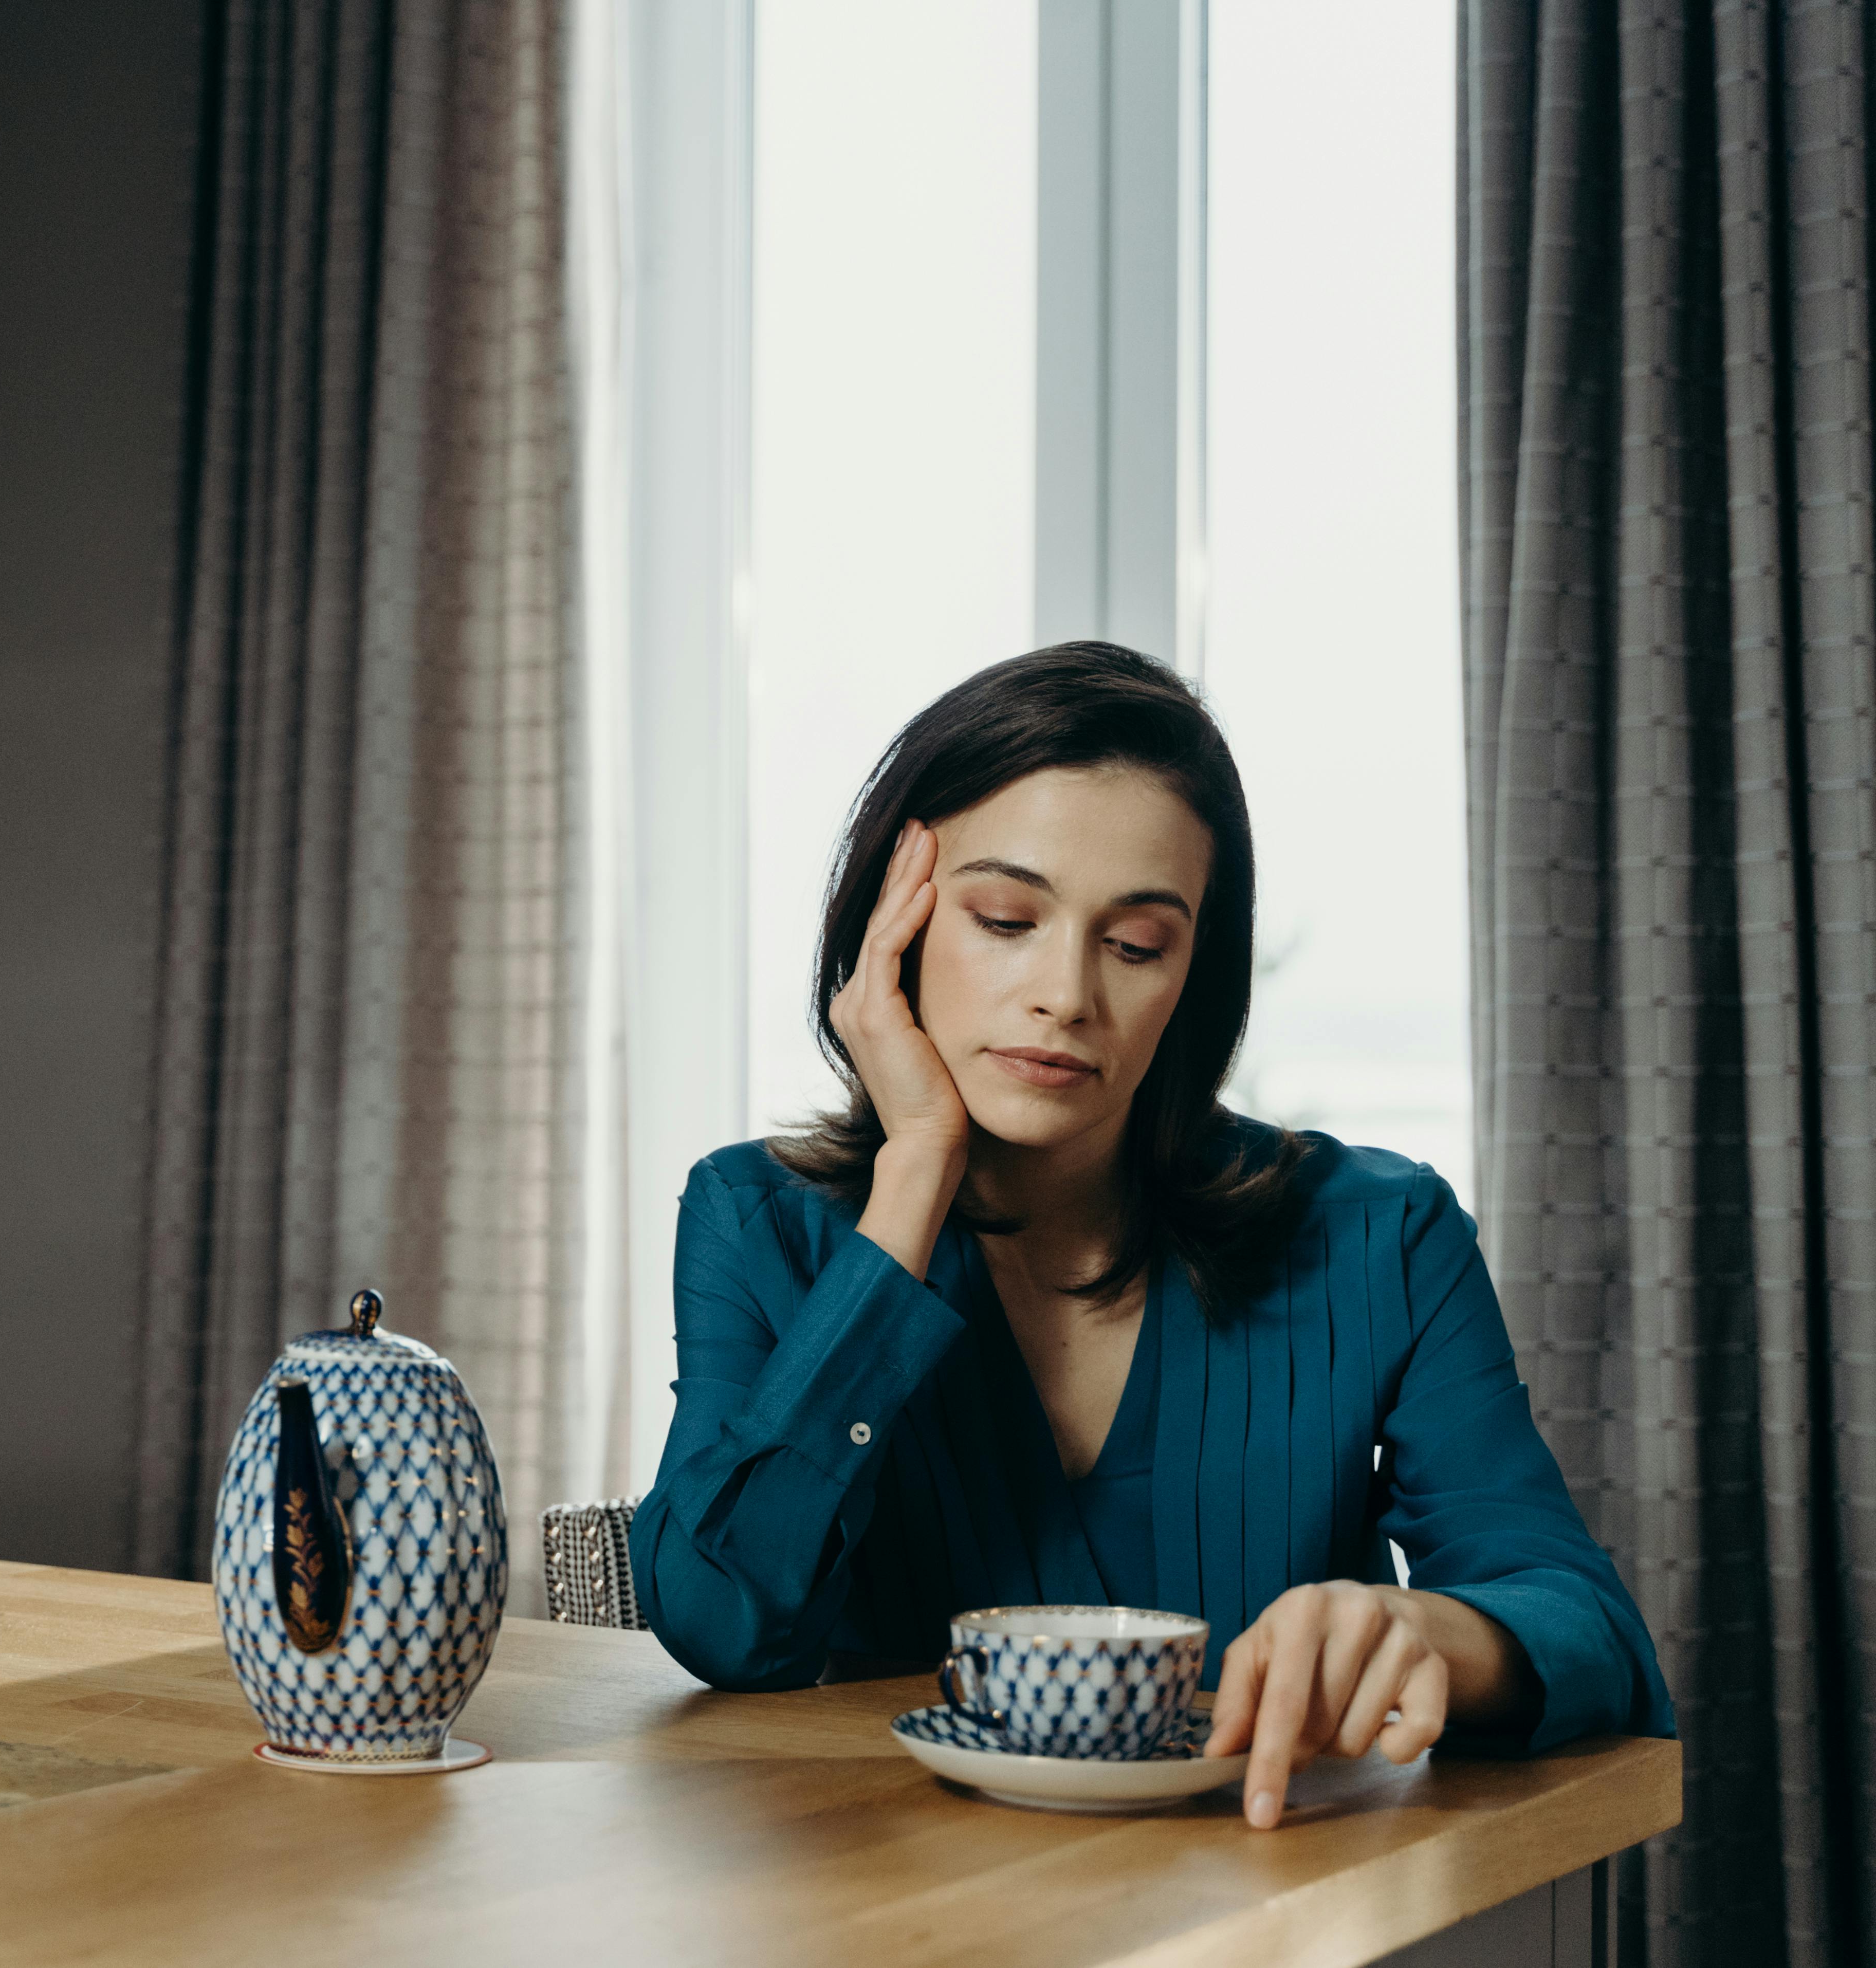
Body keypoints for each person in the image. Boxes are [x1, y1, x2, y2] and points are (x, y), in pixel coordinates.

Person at [629, 642, 1674, 1831]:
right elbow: (720, 1621)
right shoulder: (758, 1223)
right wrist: (912, 1176)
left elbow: (1591, 1632)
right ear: (896, 924)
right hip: (897, 1920)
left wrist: (1425, 1628)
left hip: (1280, 1908)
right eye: (1005, 918)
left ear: (1193, 976)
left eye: (1134, 944)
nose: (1065, 993)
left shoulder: (1381, 1235)